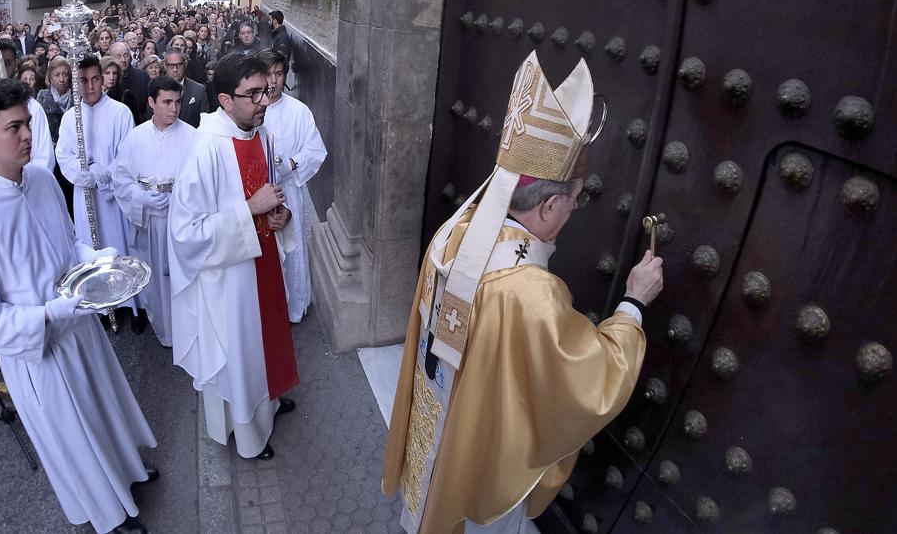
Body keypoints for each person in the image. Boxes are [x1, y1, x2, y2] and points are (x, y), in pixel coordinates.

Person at [382, 52, 664, 533]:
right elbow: (590, 382)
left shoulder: (452, 236)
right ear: (551, 205)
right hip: (482, 465)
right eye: (575, 201)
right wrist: (633, 306)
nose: (574, 211)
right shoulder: (531, 293)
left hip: (433, 434)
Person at [0, 79, 157, 534]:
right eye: (14, 128)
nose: (28, 136)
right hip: (40, 350)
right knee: (74, 436)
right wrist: (46, 315)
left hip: (80, 329)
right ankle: (109, 514)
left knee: (103, 408)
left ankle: (126, 475)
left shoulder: (40, 179)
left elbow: (68, 244)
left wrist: (97, 260)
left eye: (29, 124)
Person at [168, 52, 298, 460]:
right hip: (230, 280)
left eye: (267, 90)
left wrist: (281, 216)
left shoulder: (260, 133)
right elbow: (185, 234)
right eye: (254, 93)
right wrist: (250, 211)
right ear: (225, 100)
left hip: (264, 266)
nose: (265, 100)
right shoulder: (205, 151)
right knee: (242, 353)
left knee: (268, 341)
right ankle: (248, 434)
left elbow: (271, 193)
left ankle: (271, 403)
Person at [113, 76, 197, 344]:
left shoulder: (193, 137)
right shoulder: (135, 138)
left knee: (185, 279)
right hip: (150, 222)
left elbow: (203, 180)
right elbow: (121, 178)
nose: (174, 109)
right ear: (151, 102)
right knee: (157, 281)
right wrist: (141, 198)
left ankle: (191, 331)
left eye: (178, 102)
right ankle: (166, 330)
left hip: (182, 221)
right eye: (167, 102)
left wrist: (181, 198)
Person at [257, 50, 326, 322]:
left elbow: (315, 149)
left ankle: (293, 308)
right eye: (268, 74)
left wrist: (292, 164)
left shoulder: (299, 111)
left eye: (279, 73)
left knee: (292, 250)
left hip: (289, 191)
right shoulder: (253, 110)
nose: (274, 80)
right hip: (258, 195)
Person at [56, 55, 134, 260]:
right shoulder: (70, 118)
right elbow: (64, 156)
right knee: (93, 254)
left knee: (118, 252)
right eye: (83, 80)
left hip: (114, 198)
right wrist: (86, 173)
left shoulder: (120, 113)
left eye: (95, 79)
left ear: (102, 79)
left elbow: (127, 158)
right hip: (85, 195)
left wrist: (103, 173)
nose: (90, 86)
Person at [163, 49, 207, 128]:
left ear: (185, 64)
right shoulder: (157, 89)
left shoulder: (199, 90)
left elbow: (204, 124)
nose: (175, 69)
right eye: (171, 65)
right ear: (165, 66)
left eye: (179, 65)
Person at [37, 57, 73, 143]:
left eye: (65, 74)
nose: (62, 79)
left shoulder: (77, 96)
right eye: (57, 75)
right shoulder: (43, 97)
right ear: (50, 78)